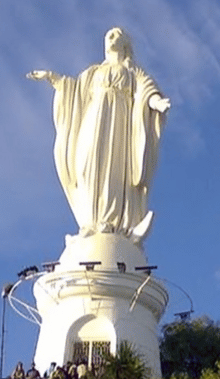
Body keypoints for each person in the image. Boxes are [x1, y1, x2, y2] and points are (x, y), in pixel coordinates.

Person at [27, 27, 170, 243]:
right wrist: (53, 78)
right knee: (87, 165)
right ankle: (89, 222)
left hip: (119, 123)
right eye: (107, 36)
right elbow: (73, 91)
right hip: (93, 120)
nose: (110, 39)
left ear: (125, 44)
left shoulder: (133, 72)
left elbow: (146, 90)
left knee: (112, 170)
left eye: (115, 35)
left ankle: (110, 221)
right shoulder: (92, 72)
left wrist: (157, 102)